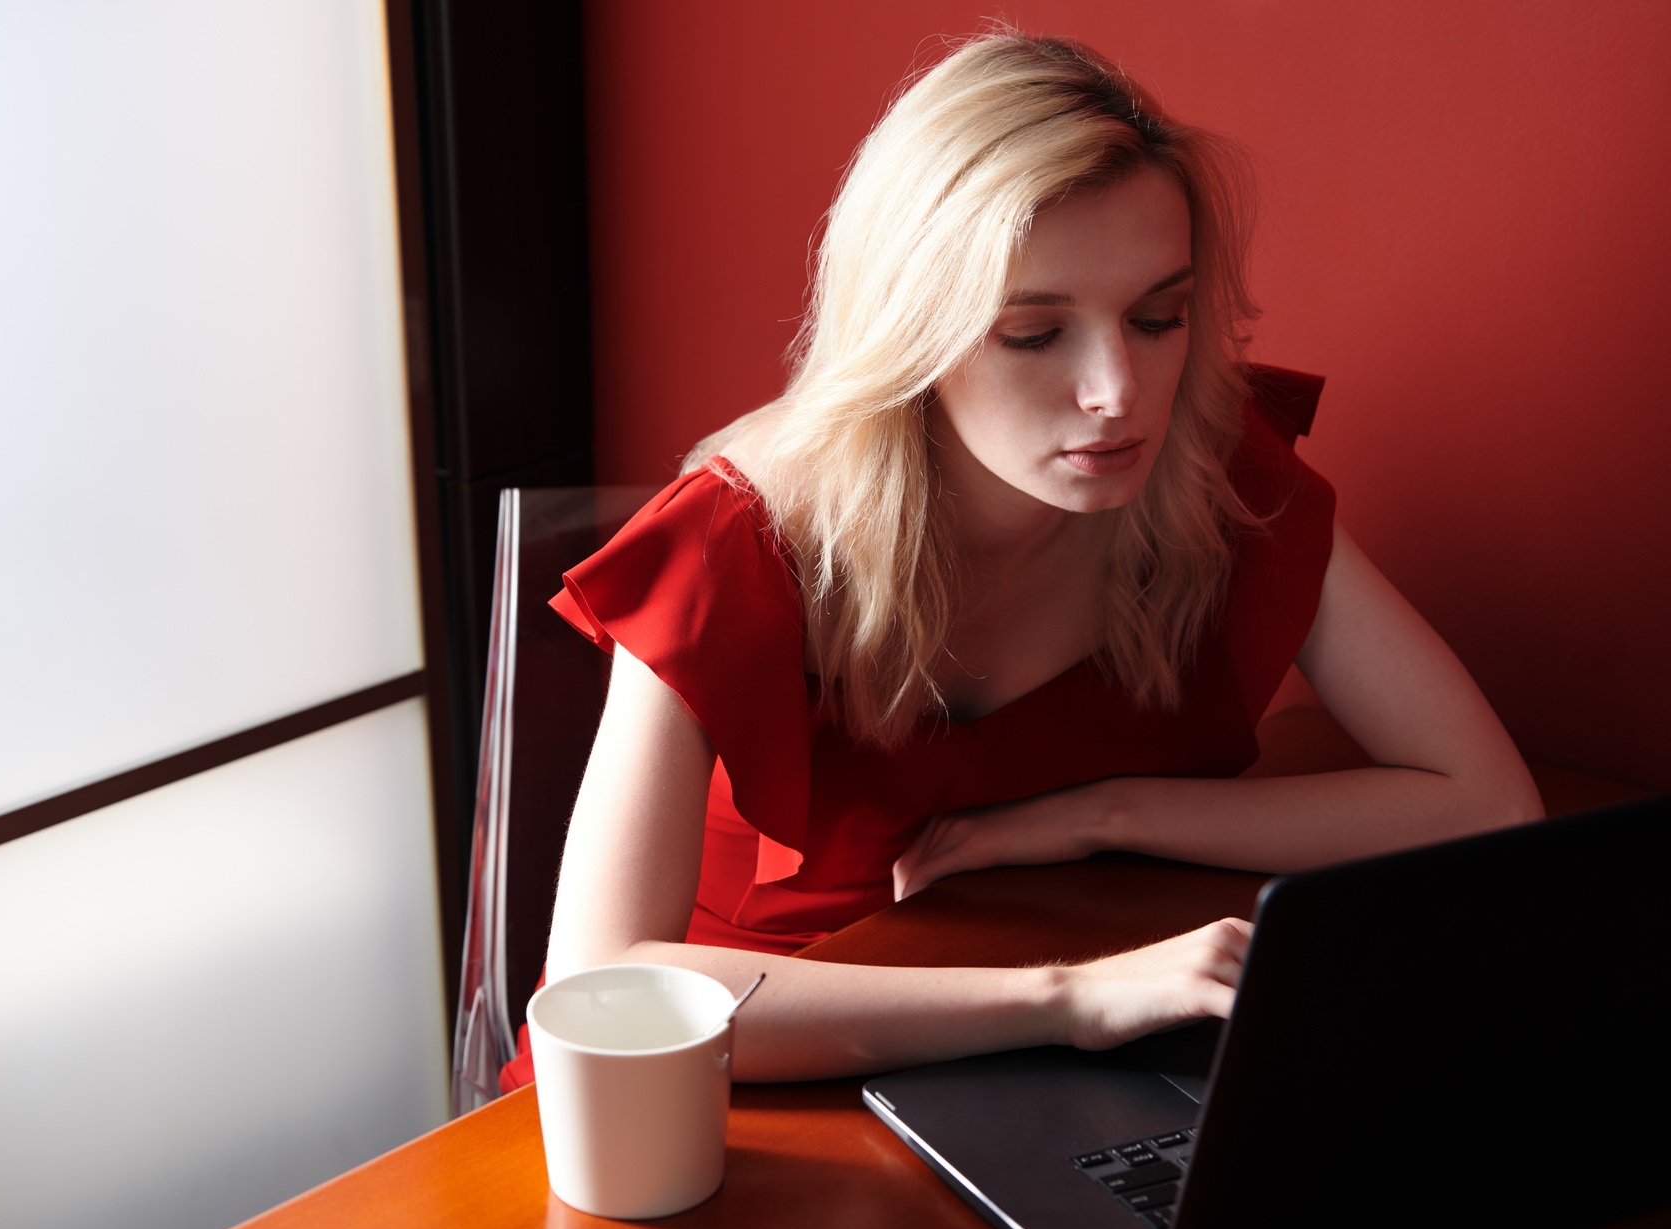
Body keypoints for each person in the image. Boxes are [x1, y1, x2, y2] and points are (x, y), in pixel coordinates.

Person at [503, 32, 1540, 1090]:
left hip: (1034, 1059)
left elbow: (1482, 801)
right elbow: (601, 994)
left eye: (1156, 317)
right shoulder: (740, 535)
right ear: (913, 332)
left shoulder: (1203, 465)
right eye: (1034, 335)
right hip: (737, 1089)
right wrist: (1067, 997)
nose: (1117, 392)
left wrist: (1100, 816)